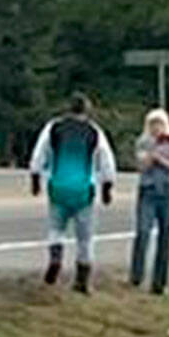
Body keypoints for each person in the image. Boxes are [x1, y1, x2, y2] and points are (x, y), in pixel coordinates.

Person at [28, 94, 117, 293]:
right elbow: (106, 161)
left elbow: (39, 154)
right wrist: (107, 188)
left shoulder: (54, 127)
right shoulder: (94, 131)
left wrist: (35, 180)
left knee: (56, 228)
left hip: (58, 187)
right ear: (87, 111)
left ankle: (55, 259)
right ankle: (82, 280)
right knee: (85, 237)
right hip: (84, 191)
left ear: (68, 109)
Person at [130, 108, 169, 294]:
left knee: (165, 236)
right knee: (143, 232)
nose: (156, 128)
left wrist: (160, 158)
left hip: (168, 191)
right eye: (153, 124)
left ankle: (160, 282)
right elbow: (141, 165)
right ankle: (136, 275)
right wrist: (151, 155)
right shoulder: (143, 142)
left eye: (159, 123)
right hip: (148, 190)